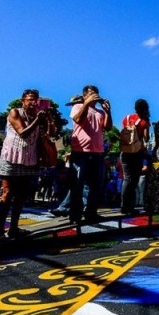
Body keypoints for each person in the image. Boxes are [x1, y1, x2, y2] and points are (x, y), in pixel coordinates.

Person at [0, 89, 55, 242]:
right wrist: (37, 120)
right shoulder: (15, 112)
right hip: (12, 158)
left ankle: (13, 228)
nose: (33, 102)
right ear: (23, 100)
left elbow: (51, 134)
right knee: (7, 194)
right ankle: (0, 230)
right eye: (30, 99)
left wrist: (48, 119)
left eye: (36, 100)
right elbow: (23, 133)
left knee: (21, 196)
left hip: (29, 160)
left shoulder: (37, 116)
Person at [68, 85, 112, 224]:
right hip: (81, 152)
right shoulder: (78, 106)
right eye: (92, 94)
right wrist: (86, 104)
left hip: (97, 152)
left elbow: (108, 127)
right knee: (77, 185)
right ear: (85, 95)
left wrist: (108, 111)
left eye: (96, 94)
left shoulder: (100, 112)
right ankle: (75, 215)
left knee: (96, 186)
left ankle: (91, 213)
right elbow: (77, 120)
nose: (95, 96)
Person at [119, 99, 151, 216]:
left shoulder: (127, 118)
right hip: (136, 152)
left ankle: (123, 206)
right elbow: (146, 138)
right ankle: (130, 206)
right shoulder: (144, 121)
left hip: (125, 152)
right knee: (134, 180)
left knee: (127, 179)